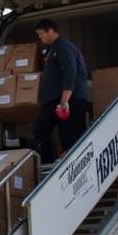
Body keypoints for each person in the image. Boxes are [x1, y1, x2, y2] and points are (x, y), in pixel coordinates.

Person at [33, 18, 90, 163]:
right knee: (43, 129)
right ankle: (49, 162)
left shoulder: (63, 47)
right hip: (56, 99)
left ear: (50, 31)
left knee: (66, 132)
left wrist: (64, 101)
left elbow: (70, 72)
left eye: (41, 34)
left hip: (70, 98)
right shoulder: (52, 49)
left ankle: (70, 162)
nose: (40, 38)